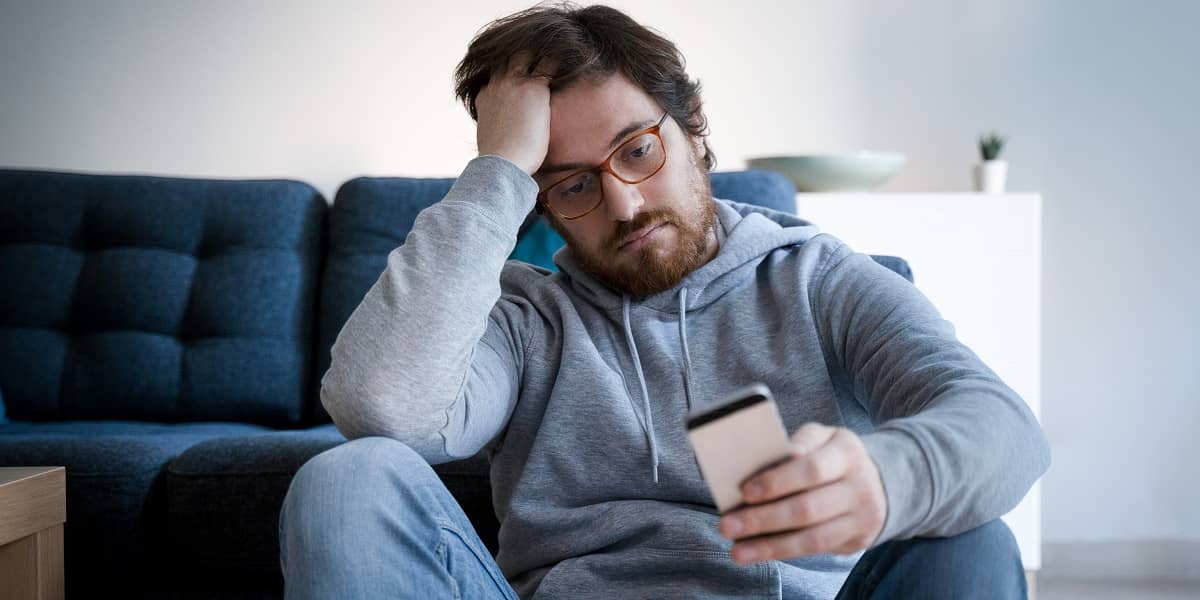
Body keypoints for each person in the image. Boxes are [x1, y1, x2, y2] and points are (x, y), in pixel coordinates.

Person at [280, 4, 1050, 598]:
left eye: (638, 150)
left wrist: (888, 479)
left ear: (694, 133)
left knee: (971, 541)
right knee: (347, 481)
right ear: (540, 205)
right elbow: (383, 410)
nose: (623, 204)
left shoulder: (816, 279)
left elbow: (1004, 427)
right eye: (573, 184)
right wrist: (499, 170)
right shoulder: (524, 321)